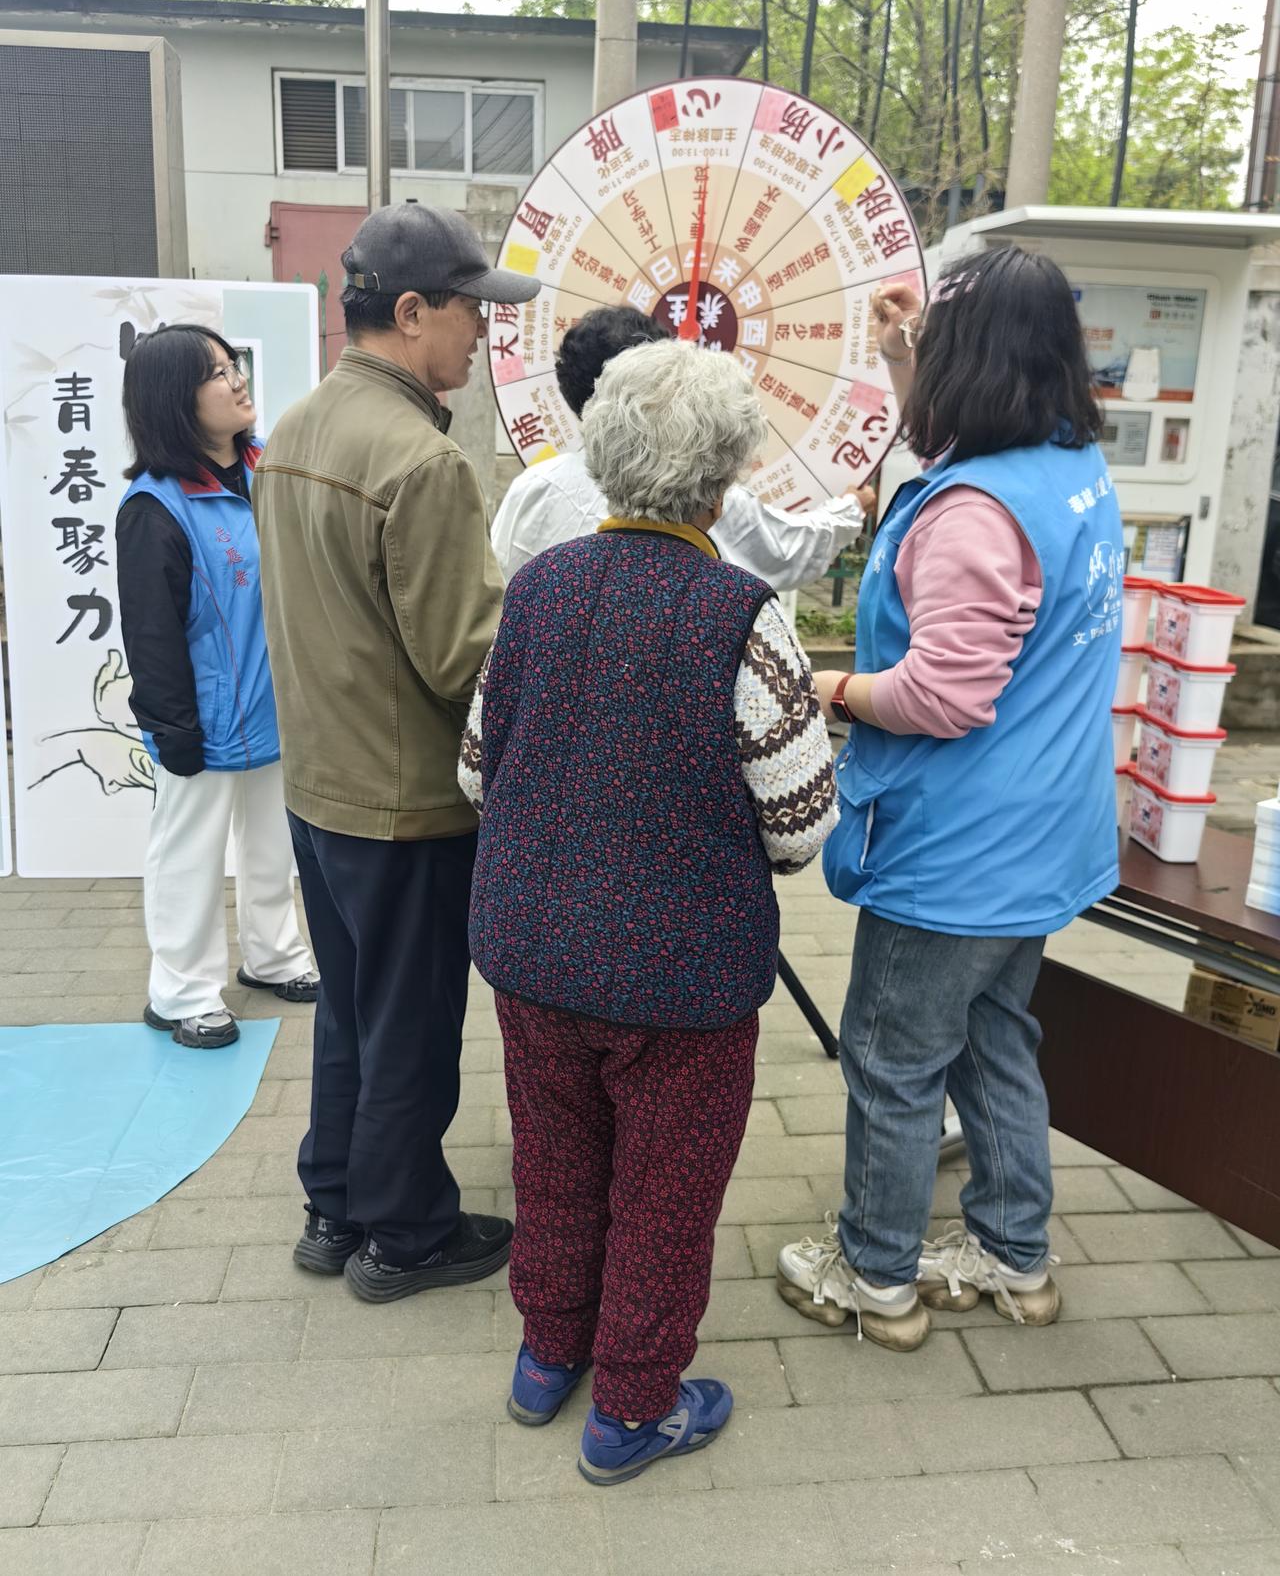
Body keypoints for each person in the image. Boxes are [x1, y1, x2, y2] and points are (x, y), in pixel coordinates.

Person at [459, 340, 838, 1484]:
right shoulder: (741, 614)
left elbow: (475, 770)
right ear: (721, 482)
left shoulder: (538, 589)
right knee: (664, 1194)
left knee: (555, 1162)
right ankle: (630, 1406)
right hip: (682, 975)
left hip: (532, 951)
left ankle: (546, 1352)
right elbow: (799, 823)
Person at [776, 245, 1124, 1348]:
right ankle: (1014, 1254)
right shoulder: (1069, 465)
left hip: (958, 851)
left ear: (973, 363)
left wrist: (826, 689)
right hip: (1042, 831)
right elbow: (953, 448)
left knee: (891, 1057)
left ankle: (874, 1273)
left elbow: (940, 694)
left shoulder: (974, 512)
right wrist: (899, 356)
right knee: (991, 1037)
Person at [253, 203, 539, 1299]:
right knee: (411, 1025)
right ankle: (407, 1230)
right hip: (405, 798)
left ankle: (334, 1203)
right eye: (472, 310)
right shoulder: (422, 460)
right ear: (412, 312)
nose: (483, 332)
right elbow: (466, 657)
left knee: (350, 1007)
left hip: (318, 785)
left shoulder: (292, 430)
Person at [117, 326, 318, 1051]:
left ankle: (273, 956)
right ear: (176, 399)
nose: (237, 380)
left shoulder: (270, 468)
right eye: (217, 373)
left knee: (273, 845)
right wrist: (173, 729)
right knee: (190, 855)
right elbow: (151, 633)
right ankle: (182, 992)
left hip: (275, 708)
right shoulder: (155, 506)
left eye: (234, 365)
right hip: (200, 721)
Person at [490, 305, 875, 588]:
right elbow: (787, 549)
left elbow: (498, 580)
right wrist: (849, 510)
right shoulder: (698, 488)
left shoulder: (533, 489)